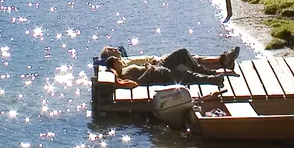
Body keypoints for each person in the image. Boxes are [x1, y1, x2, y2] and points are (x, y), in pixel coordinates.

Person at [100, 46, 239, 86]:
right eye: (115, 59)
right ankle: (214, 78)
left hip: (157, 65)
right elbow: (138, 83)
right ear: (113, 63)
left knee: (182, 53)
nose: (119, 59)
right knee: (184, 74)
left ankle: (211, 73)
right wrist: (149, 70)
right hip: (156, 72)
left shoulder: (124, 65)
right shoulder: (124, 74)